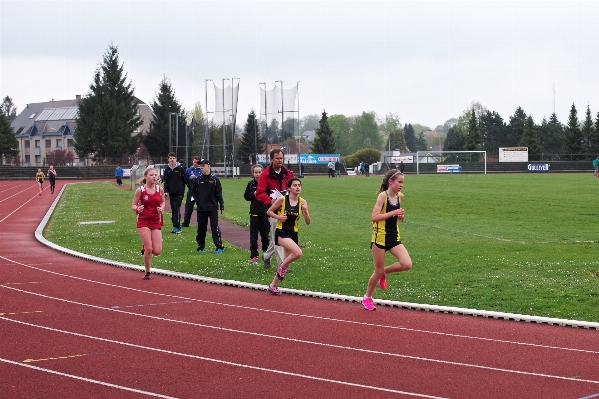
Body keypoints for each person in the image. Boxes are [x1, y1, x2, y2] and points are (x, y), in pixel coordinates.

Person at [362, 169, 412, 310]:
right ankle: (367, 298)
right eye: (399, 182)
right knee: (377, 271)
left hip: (393, 236)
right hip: (380, 238)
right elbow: (374, 217)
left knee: (407, 264)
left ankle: (385, 272)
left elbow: (396, 216)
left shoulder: (400, 196)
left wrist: (400, 216)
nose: (401, 185)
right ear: (390, 181)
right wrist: (393, 213)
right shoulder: (382, 197)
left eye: (402, 182)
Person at [265, 178, 311, 295]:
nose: (297, 187)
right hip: (281, 231)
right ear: (289, 188)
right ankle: (281, 266)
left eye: (299, 185)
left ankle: (272, 286)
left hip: (293, 233)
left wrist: (305, 211)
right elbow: (269, 212)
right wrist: (279, 217)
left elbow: (308, 222)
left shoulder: (302, 202)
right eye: (295, 185)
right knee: (298, 253)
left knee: (287, 262)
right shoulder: (282, 199)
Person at [255, 149, 295, 268]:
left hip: (287, 210)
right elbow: (259, 193)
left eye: (281, 158)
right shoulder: (265, 175)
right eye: (277, 158)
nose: (280, 160)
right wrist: (270, 201)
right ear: (271, 159)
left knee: (280, 237)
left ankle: (266, 256)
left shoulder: (288, 174)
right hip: (273, 211)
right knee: (279, 237)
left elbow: (294, 187)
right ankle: (282, 265)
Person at [131, 166, 165, 280]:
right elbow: (133, 205)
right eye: (151, 175)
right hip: (143, 220)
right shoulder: (140, 190)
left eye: (155, 175)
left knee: (157, 251)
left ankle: (144, 246)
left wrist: (162, 208)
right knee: (149, 249)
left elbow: (163, 202)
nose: (154, 177)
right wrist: (137, 208)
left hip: (155, 220)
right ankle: (147, 272)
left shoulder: (159, 189)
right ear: (146, 177)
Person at [191, 159, 225, 254]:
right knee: (201, 228)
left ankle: (219, 246)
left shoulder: (215, 180)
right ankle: (201, 246)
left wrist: (221, 206)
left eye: (203, 165)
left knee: (214, 227)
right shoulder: (197, 180)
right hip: (201, 208)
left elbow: (219, 194)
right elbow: (194, 192)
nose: (201, 167)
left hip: (213, 207)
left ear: (208, 166)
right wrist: (198, 201)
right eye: (200, 166)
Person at [244, 164, 270, 265]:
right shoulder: (250, 184)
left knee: (265, 236)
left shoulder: (266, 184)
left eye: (260, 172)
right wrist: (253, 194)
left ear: (263, 172)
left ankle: (266, 255)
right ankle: (254, 255)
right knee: (253, 237)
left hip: (265, 214)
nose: (258, 174)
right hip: (254, 214)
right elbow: (246, 196)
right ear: (253, 173)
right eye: (256, 172)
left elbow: (270, 196)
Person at [162, 152, 190, 234]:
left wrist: (192, 189)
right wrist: (165, 191)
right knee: (174, 209)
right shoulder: (167, 169)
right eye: (170, 158)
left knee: (176, 208)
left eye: (173, 158)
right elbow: (165, 182)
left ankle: (177, 227)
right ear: (168, 159)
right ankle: (176, 226)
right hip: (171, 192)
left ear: (176, 159)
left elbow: (186, 180)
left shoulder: (180, 169)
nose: (172, 160)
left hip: (179, 192)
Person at [182, 156, 202, 227]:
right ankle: (186, 223)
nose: (196, 163)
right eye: (194, 162)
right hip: (191, 192)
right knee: (189, 207)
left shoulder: (202, 170)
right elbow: (185, 180)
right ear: (192, 161)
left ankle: (201, 223)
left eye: (197, 162)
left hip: (200, 193)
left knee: (201, 208)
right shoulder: (188, 170)